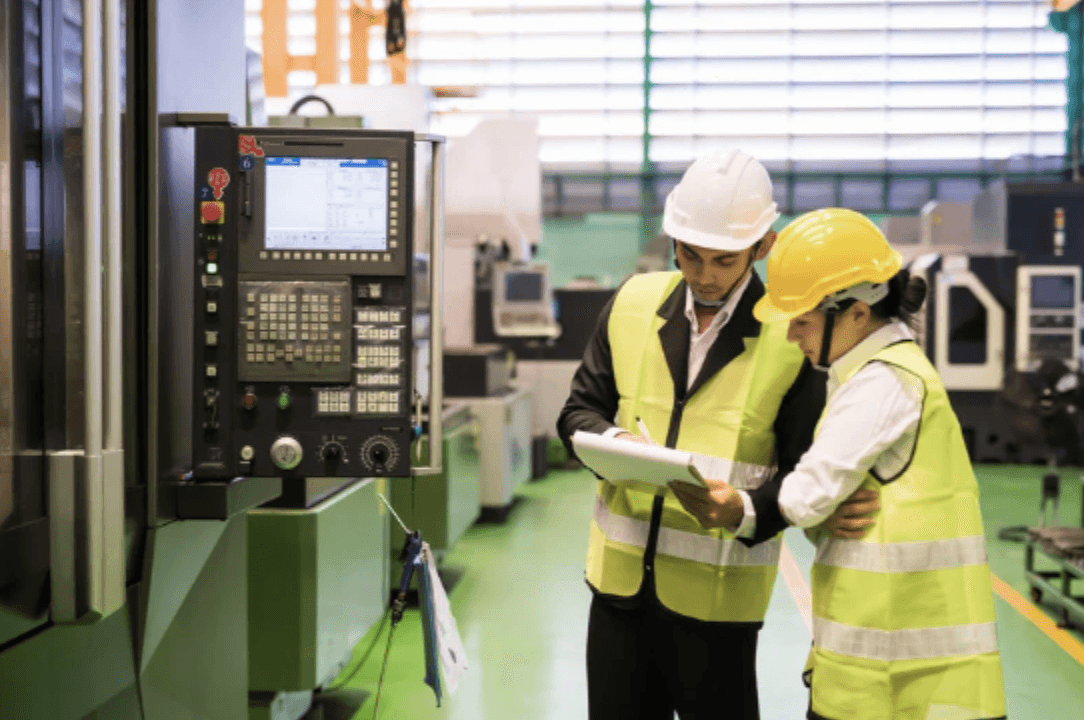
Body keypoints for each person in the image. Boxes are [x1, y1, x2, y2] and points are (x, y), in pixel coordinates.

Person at [557, 150, 872, 720]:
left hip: (718, 606)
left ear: (763, 247)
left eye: (724, 261)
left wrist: (745, 511)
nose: (704, 276)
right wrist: (617, 446)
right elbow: (579, 411)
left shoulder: (792, 333)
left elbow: (806, 467)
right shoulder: (631, 303)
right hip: (618, 596)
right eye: (690, 255)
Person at [689, 207, 1007, 720]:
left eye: (803, 321)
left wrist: (744, 505)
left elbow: (806, 494)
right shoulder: (872, 373)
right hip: (896, 656)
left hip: (897, 671)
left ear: (857, 312)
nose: (792, 336)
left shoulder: (882, 381)